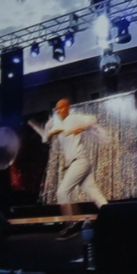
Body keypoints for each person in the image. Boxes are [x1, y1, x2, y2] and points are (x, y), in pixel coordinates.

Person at [41, 98, 107, 237]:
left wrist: (82, 128)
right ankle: (112, 214)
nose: (59, 111)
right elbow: (45, 140)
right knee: (94, 193)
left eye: (61, 108)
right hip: (79, 163)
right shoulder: (58, 124)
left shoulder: (74, 118)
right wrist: (51, 133)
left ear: (68, 108)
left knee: (62, 192)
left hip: (80, 162)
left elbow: (93, 119)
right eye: (57, 109)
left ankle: (71, 224)